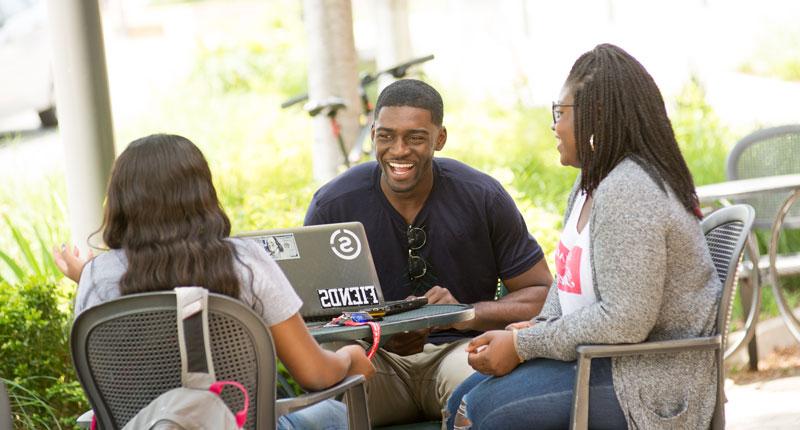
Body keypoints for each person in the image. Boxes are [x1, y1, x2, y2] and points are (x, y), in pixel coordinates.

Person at [445, 43, 722, 429]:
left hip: (650, 381)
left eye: (560, 113)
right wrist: (539, 325)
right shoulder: (589, 183)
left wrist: (526, 346)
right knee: (461, 398)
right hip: (603, 359)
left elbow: (625, 320)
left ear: (597, 116)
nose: (554, 126)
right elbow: (568, 283)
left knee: (477, 411)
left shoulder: (630, 190)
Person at [53, 134, 375, 430]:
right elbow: (314, 374)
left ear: (121, 200)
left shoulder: (96, 277)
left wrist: (87, 277)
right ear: (202, 194)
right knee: (335, 416)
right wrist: (349, 357)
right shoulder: (245, 263)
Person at [304, 79, 553, 425]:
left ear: (440, 138)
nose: (399, 150)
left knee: (488, 404)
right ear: (373, 133)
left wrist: (465, 313)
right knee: (321, 412)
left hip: (460, 353)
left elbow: (542, 295)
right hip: (374, 361)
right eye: (386, 136)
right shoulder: (333, 204)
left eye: (415, 137)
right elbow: (308, 318)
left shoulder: (482, 196)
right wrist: (378, 331)